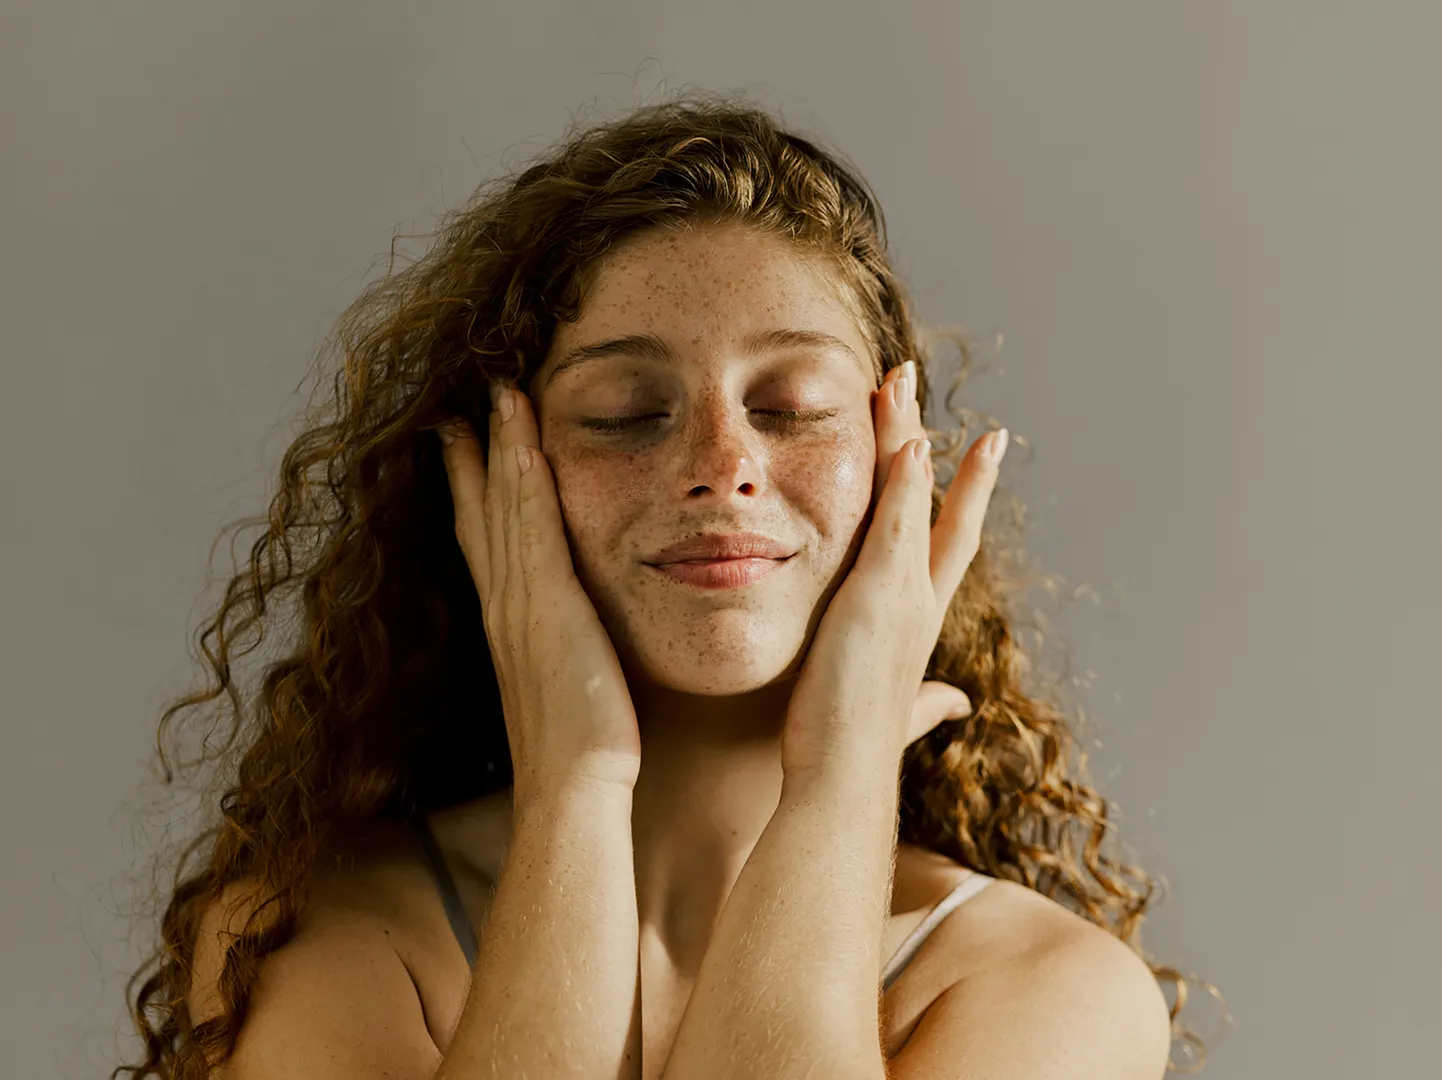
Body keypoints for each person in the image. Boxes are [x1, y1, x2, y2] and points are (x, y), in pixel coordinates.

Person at [115, 92, 1216, 1080]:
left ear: (898, 460)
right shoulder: (309, 935)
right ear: (502, 476)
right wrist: (577, 783)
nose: (719, 460)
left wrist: (839, 780)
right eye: (623, 414)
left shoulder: (1047, 991)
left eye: (788, 404)